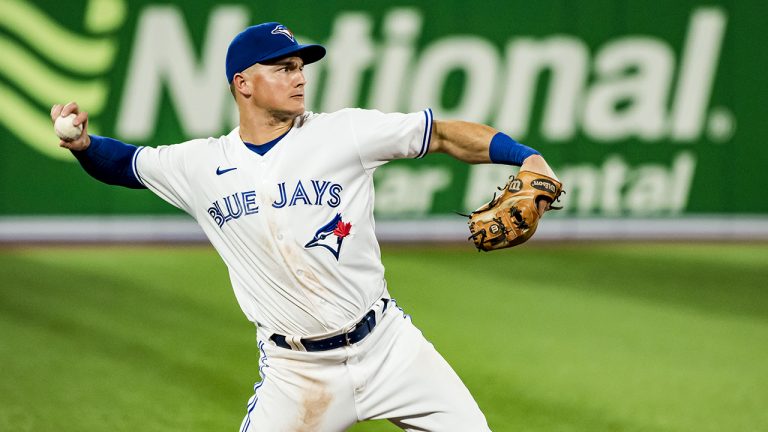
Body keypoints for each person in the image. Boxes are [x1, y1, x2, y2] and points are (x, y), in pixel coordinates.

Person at [51, 22, 559, 431]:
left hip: (387, 347)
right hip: (296, 374)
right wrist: (84, 147)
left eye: (300, 67)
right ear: (242, 83)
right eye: (283, 67)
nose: (299, 77)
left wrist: (527, 157)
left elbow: (445, 135)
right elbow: (126, 164)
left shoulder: (344, 133)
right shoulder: (201, 165)